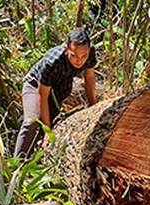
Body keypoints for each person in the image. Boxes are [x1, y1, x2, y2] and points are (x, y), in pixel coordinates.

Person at [13, 27, 97, 158]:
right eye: (74, 55)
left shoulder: (90, 52)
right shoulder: (52, 62)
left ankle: (35, 160)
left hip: (59, 89)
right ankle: (17, 166)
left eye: (84, 56)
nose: (79, 61)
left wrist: (93, 106)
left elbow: (90, 78)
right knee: (32, 122)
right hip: (36, 86)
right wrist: (47, 130)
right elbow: (42, 96)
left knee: (51, 126)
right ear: (66, 49)